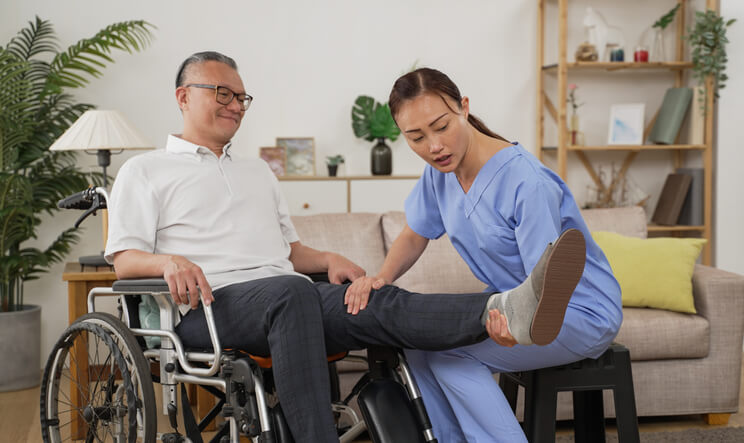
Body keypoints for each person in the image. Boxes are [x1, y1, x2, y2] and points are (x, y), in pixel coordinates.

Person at [105, 52, 584, 443]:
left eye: (241, 97)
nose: (235, 104)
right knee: (290, 293)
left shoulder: (257, 172)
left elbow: (289, 253)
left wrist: (330, 260)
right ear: (183, 97)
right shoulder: (144, 171)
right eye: (222, 93)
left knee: (374, 298)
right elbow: (125, 260)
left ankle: (504, 309)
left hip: (282, 299)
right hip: (209, 308)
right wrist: (169, 260)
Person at [343, 67, 623, 442]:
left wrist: (519, 320)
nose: (433, 146)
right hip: (513, 304)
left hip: (575, 309)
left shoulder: (526, 181)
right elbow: (415, 233)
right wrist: (381, 277)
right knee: (419, 342)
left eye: (441, 127)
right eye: (416, 137)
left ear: (463, 108)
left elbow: (542, 282)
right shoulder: (440, 172)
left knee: (452, 355)